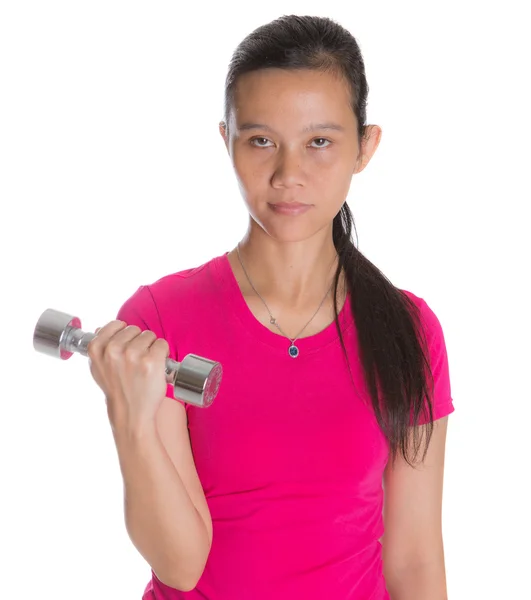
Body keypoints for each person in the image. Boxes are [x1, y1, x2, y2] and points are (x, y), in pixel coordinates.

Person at [87, 14, 455, 600]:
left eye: (320, 143)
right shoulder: (159, 321)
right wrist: (130, 418)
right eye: (261, 141)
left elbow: (414, 561)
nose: (288, 174)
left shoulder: (409, 329)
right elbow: (180, 566)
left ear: (365, 146)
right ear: (225, 140)